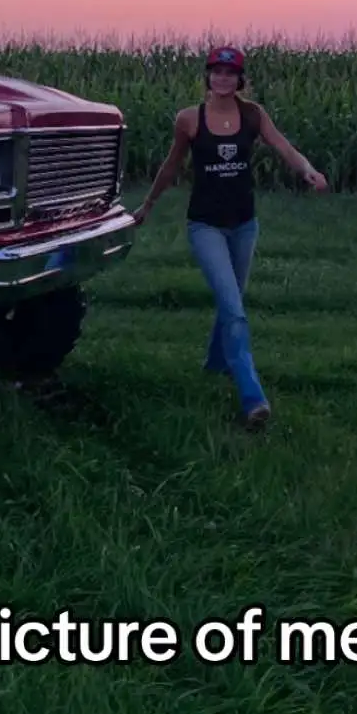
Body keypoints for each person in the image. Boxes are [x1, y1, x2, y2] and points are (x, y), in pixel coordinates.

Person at [131, 46, 328, 429]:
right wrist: (148, 206)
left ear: (241, 79)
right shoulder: (189, 119)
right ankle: (252, 395)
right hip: (205, 225)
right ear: (207, 77)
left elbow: (284, 146)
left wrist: (308, 171)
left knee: (230, 303)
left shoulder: (253, 114)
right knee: (235, 310)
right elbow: (171, 167)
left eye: (230, 73)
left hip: (244, 225)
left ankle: (213, 364)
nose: (223, 78)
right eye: (216, 72)